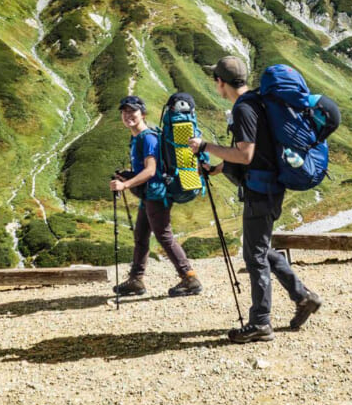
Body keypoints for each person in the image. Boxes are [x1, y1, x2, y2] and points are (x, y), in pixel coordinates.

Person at [188, 57, 321, 343]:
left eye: (216, 80)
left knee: (255, 255)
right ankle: (303, 297)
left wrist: (206, 146)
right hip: (268, 187)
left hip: (261, 191)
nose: (216, 85)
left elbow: (246, 155)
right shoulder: (256, 101)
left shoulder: (244, 108)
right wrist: (217, 167)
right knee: (260, 249)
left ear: (221, 82)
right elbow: (254, 155)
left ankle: (261, 322)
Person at [110, 95, 203, 298]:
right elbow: (147, 169)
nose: (128, 116)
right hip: (149, 194)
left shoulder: (148, 137)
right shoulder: (137, 137)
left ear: (143, 114)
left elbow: (151, 171)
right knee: (141, 235)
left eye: (132, 111)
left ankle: (189, 277)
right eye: (124, 112)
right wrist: (128, 174)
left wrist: (125, 184)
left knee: (163, 235)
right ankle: (136, 280)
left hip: (157, 195)